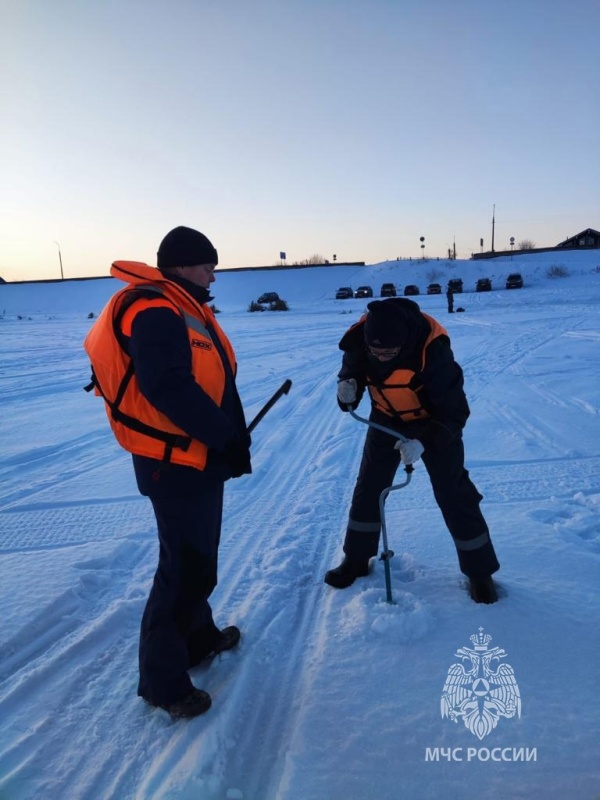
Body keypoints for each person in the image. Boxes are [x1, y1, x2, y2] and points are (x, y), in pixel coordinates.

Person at [84, 226, 251, 718]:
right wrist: (224, 435)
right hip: (172, 461)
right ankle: (163, 682)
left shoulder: (178, 303)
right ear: (179, 265)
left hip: (191, 456)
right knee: (181, 570)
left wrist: (222, 440)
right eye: (206, 265)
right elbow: (168, 387)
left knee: (199, 559)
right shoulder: (156, 309)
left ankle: (198, 639)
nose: (212, 274)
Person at [324, 297, 500, 604]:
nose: (380, 358)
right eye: (374, 352)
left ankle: (480, 573)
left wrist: (424, 442)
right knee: (369, 487)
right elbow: (350, 376)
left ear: (403, 342)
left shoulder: (432, 348)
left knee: (453, 492)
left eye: (388, 352)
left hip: (433, 423)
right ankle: (356, 559)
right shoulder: (358, 341)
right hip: (385, 419)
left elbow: (455, 411)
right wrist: (346, 391)